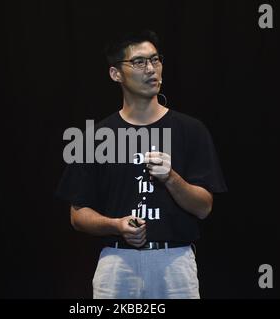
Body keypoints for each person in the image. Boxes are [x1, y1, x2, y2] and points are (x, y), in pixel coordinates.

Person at [56, 30, 227, 299]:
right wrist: (116, 225)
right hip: (117, 262)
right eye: (138, 62)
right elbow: (77, 215)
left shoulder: (190, 130)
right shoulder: (96, 137)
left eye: (155, 60)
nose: (151, 69)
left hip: (175, 262)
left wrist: (171, 178)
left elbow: (204, 208)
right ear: (115, 74)